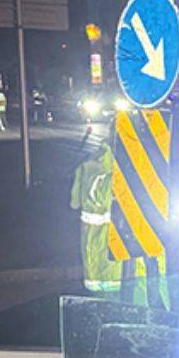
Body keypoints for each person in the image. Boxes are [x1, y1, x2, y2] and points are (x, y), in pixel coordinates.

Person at [69, 127, 123, 298]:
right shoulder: (123, 167)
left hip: (89, 235)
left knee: (94, 287)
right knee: (114, 291)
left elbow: (74, 203)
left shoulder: (86, 163)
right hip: (113, 237)